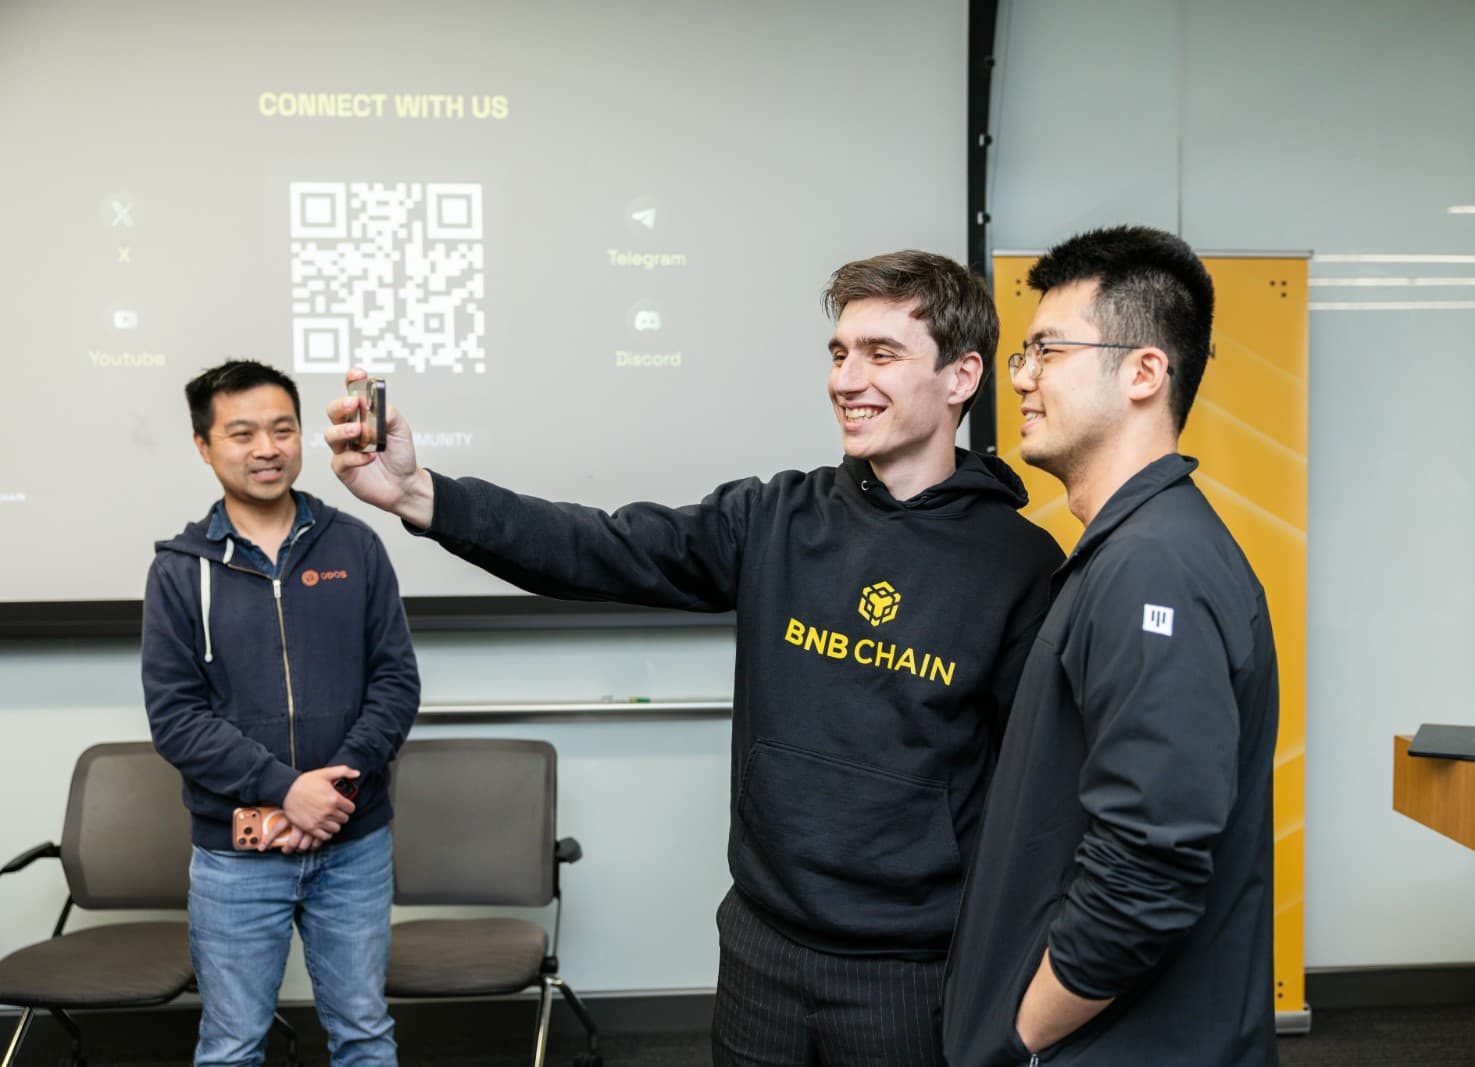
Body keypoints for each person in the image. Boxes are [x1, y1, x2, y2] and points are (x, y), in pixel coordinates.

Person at [323, 251, 1064, 1065]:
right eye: (840, 352)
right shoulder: (776, 516)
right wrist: (419, 494)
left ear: (961, 378)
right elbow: (596, 546)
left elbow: (1038, 795)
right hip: (761, 947)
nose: (847, 378)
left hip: (914, 970)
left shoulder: (1018, 564)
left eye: (882, 353)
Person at [942, 226, 1280, 1066]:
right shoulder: (1132, 549)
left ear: (1144, 372)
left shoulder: (1152, 566)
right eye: (1022, 354)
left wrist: (1015, 1038)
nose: (1019, 376)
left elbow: (1147, 870)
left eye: (1047, 351)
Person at [141, 360, 420, 1067]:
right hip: (238, 852)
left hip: (353, 839)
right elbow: (176, 718)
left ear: (301, 437)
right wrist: (286, 789)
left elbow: (395, 681)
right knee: (232, 1044)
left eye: (281, 429)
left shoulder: (356, 545)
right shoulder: (179, 569)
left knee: (364, 1031)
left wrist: (335, 790)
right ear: (205, 446)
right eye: (241, 433)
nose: (266, 448)